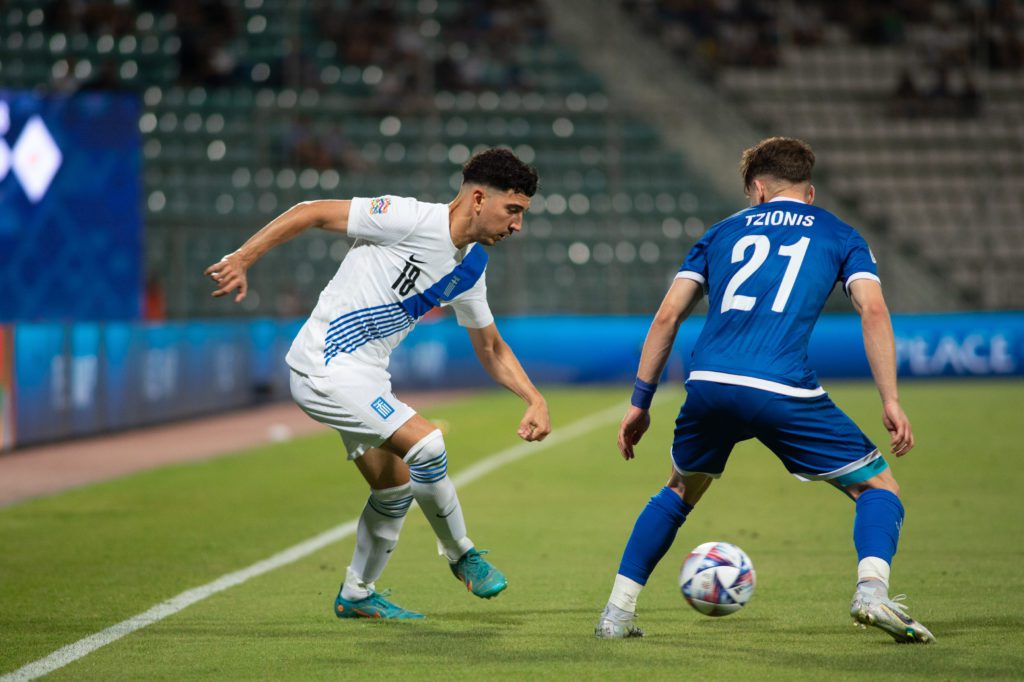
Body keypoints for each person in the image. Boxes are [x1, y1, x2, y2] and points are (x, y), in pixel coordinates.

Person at [594, 137, 934, 644]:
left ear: (756, 188)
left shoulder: (720, 233)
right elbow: (874, 310)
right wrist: (890, 398)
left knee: (678, 491)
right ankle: (871, 591)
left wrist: (639, 404)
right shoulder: (841, 235)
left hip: (709, 385)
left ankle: (615, 614)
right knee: (878, 488)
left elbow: (668, 315)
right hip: (780, 385)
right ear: (810, 191)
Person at [205, 148, 551, 619]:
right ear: (476, 198)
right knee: (427, 446)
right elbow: (310, 212)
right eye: (513, 210)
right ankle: (461, 554)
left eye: (522, 214)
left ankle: (357, 593)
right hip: (323, 366)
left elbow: (490, 347)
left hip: (366, 380)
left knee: (394, 490)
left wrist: (533, 397)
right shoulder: (406, 218)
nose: (517, 225)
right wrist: (243, 257)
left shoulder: (470, 268)